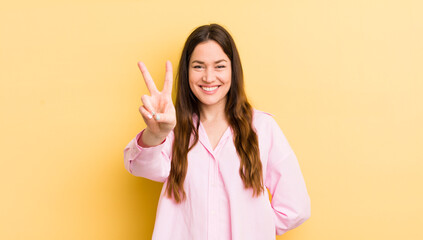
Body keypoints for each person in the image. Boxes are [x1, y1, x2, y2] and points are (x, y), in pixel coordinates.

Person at [124, 23, 310, 240]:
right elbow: (139, 167)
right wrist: (156, 134)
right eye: (198, 66)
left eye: (220, 66)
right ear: (187, 71)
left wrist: (254, 226)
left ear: (233, 70)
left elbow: (296, 207)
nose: (209, 77)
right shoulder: (173, 128)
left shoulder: (262, 128)